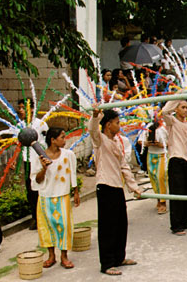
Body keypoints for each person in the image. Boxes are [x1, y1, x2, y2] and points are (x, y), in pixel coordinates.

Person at [88, 108, 141, 276]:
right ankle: (107, 263)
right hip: (105, 186)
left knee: (120, 224)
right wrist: (96, 115)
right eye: (117, 123)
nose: (120, 125)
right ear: (108, 124)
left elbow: (124, 166)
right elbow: (92, 129)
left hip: (117, 187)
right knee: (107, 227)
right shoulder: (100, 140)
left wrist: (134, 187)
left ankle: (119, 258)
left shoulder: (117, 142)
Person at [30, 127, 79, 269]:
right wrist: (44, 168)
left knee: (64, 226)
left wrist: (75, 192)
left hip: (62, 195)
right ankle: (51, 256)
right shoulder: (39, 157)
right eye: (62, 137)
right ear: (53, 140)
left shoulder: (68, 154)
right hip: (45, 196)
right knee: (46, 227)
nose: (65, 140)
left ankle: (64, 256)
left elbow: (73, 174)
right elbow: (36, 181)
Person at [161, 97, 187, 236]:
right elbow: (164, 111)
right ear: (176, 109)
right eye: (182, 107)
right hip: (176, 159)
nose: (186, 110)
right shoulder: (172, 122)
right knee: (177, 193)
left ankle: (184, 219)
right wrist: (178, 96)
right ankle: (176, 224)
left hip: (186, 160)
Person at [16, 98, 49, 230]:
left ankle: (45, 217)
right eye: (19, 108)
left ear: (31, 109)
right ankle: (35, 218)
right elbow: (18, 144)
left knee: (41, 187)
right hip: (27, 160)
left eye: (23, 107)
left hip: (39, 160)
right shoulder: (20, 126)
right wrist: (15, 162)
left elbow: (47, 142)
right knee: (30, 190)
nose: (21, 110)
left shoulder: (40, 124)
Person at [139, 120, 168, 215]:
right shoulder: (148, 127)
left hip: (162, 155)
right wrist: (148, 143)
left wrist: (160, 144)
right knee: (153, 178)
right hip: (151, 155)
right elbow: (140, 141)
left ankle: (163, 202)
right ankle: (158, 199)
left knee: (160, 178)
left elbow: (170, 142)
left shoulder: (164, 128)